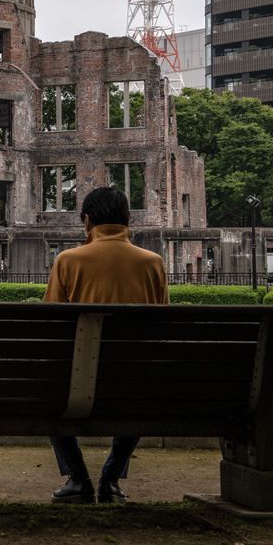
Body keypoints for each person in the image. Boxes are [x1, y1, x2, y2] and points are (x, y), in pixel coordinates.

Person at [45, 186, 169, 505]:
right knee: (138, 386)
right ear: (128, 221)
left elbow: (50, 325)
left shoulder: (68, 261)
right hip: (133, 384)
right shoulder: (152, 263)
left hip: (76, 382)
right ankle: (110, 477)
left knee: (47, 393)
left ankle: (78, 477)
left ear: (87, 222)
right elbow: (162, 326)